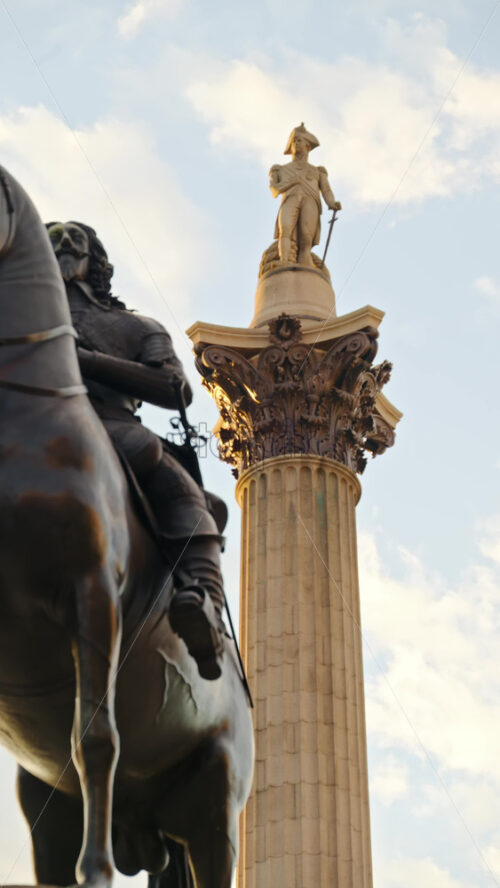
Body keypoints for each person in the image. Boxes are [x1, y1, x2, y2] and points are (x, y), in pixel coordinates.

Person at [46, 220, 225, 680]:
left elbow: (173, 386)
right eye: (54, 241)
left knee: (182, 491)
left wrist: (85, 361)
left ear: (95, 261)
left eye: (74, 240)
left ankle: (203, 602)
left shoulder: (135, 327)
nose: (65, 247)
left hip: (112, 425)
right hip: (26, 420)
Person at [270, 122, 341, 267]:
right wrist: (291, 183)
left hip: (310, 200)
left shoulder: (317, 171)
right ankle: (284, 262)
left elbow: (326, 190)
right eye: (294, 141)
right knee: (286, 230)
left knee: (306, 237)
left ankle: (306, 267)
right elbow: (274, 190)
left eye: (299, 140)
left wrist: (332, 203)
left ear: (308, 146)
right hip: (290, 198)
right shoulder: (281, 170)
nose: (295, 143)